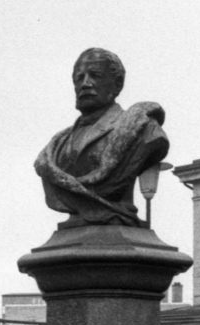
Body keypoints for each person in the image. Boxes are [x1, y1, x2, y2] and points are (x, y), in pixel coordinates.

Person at [34, 48, 170, 228]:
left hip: (117, 226)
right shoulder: (58, 144)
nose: (85, 83)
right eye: (79, 78)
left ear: (117, 84)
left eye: (95, 76)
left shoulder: (145, 129)